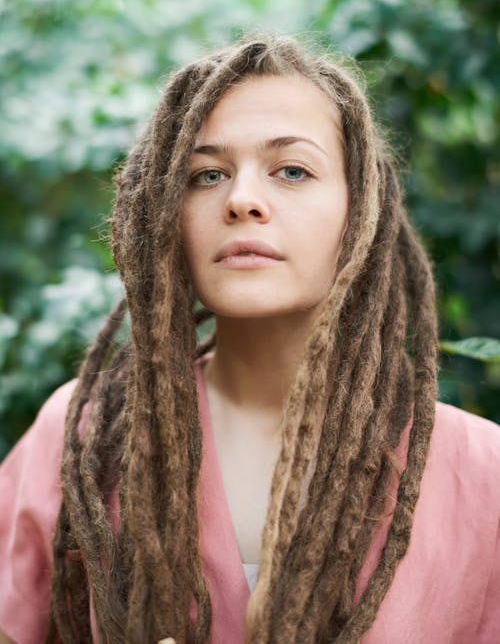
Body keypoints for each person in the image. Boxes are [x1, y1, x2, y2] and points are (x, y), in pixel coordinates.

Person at [0, 37, 498, 644]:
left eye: (293, 170)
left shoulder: (484, 473)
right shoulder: (79, 435)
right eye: (206, 175)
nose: (241, 201)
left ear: (360, 209)